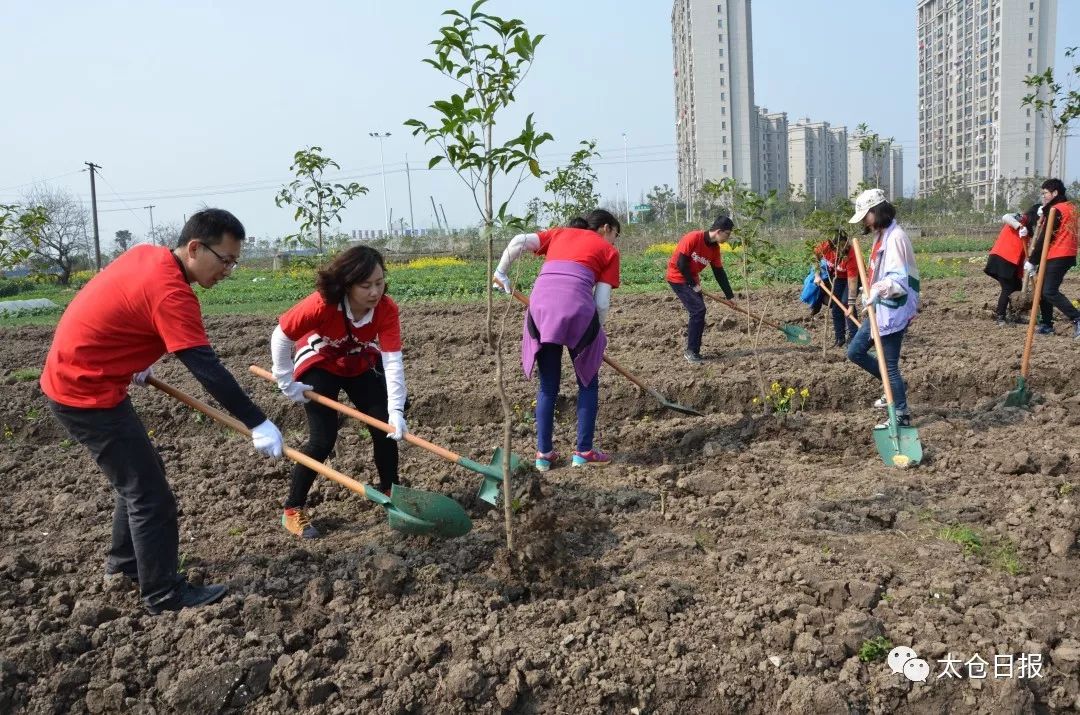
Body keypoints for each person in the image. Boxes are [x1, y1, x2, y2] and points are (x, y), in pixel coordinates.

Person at [40, 208, 284, 615]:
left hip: (84, 377)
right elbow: (206, 368)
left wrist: (131, 357)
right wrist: (257, 421)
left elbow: (123, 307)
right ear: (194, 248)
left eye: (235, 261)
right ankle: (163, 594)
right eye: (225, 260)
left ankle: (124, 568)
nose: (229, 270)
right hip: (86, 391)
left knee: (140, 478)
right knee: (150, 497)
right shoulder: (172, 292)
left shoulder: (148, 256)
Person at [270, 246, 407, 539]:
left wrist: (396, 410)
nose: (375, 292)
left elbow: (393, 361)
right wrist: (286, 381)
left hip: (358, 360)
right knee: (323, 438)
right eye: (366, 285)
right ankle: (293, 509)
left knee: (384, 424)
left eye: (380, 283)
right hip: (319, 360)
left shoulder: (386, 310)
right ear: (347, 284)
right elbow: (281, 335)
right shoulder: (323, 304)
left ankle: (391, 493)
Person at [492, 209, 621, 471]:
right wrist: (595, 334)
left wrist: (501, 272)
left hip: (540, 312)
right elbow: (602, 302)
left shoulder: (559, 233)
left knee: (548, 386)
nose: (614, 243)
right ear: (606, 229)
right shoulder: (608, 252)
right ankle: (583, 452)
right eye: (615, 236)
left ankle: (544, 455)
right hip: (578, 313)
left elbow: (518, 241)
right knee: (587, 383)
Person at [845, 189, 920, 427]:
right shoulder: (882, 235)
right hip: (880, 307)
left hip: (893, 308)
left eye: (866, 216)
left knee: (889, 365)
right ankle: (892, 390)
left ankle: (901, 414)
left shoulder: (896, 237)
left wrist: (877, 290)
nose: (865, 222)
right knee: (855, 351)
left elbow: (898, 280)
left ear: (876, 212)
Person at [664, 215, 737, 364]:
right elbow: (681, 263)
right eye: (727, 234)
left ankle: (694, 350)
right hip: (677, 277)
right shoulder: (693, 237)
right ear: (718, 231)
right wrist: (692, 285)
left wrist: (730, 296)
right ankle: (691, 352)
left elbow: (719, 273)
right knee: (698, 310)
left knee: (699, 312)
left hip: (692, 279)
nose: (728, 238)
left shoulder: (714, 249)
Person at [1023, 179, 1079, 337]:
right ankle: (1047, 324)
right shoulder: (1070, 207)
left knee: (1048, 291)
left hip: (1059, 254)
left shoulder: (1057, 210)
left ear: (1055, 193)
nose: (1043, 197)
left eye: (1045, 193)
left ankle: (1077, 318)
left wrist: (1032, 261)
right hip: (1063, 253)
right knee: (1041, 290)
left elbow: (1044, 239)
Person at [985, 206, 1036, 325]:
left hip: (1013, 262)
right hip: (1002, 258)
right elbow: (1005, 216)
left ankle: (1014, 315)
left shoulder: (1029, 231)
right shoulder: (1021, 219)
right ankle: (1000, 317)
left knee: (1017, 287)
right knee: (1007, 288)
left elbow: (1023, 251)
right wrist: (1019, 226)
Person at [811, 229, 859, 346]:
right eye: (840, 246)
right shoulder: (825, 247)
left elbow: (852, 281)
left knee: (846, 303)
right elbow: (814, 258)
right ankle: (840, 338)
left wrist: (851, 306)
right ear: (833, 246)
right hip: (837, 277)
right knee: (836, 307)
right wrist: (817, 275)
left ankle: (854, 337)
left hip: (854, 278)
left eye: (845, 244)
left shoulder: (851, 254)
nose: (844, 248)